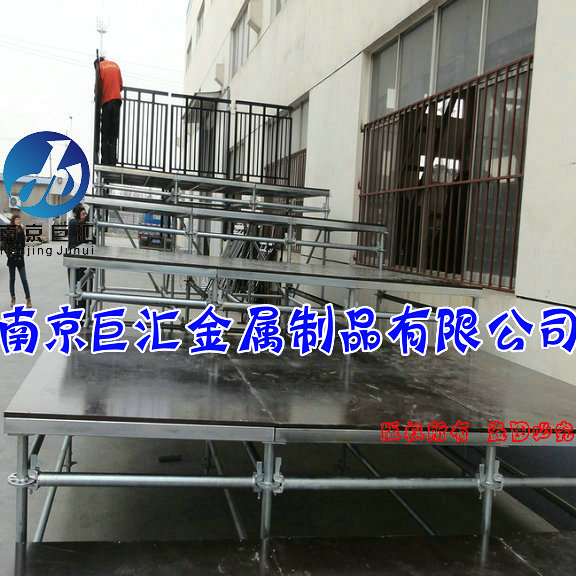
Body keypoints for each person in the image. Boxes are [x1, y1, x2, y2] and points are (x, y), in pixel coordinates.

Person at [94, 56, 123, 165]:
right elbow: (120, 86)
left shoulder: (100, 67)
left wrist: (97, 98)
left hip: (106, 102)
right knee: (114, 131)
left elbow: (97, 88)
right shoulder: (115, 65)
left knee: (105, 132)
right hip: (117, 101)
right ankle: (113, 159)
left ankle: (105, 159)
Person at [2, 213, 32, 308]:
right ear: (13, 221)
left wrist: (20, 253)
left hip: (19, 259)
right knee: (12, 279)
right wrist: (9, 254)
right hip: (11, 259)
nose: (18, 221)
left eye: (19, 219)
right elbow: (4, 244)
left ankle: (28, 299)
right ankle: (13, 298)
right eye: (17, 219)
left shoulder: (21, 231)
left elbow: (23, 245)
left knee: (24, 279)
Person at [68, 204, 90, 310]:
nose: (85, 216)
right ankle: (77, 312)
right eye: (83, 214)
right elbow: (81, 224)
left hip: (82, 261)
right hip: (74, 261)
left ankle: (83, 312)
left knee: (84, 290)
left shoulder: (84, 227)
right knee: (75, 290)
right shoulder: (73, 223)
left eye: (86, 214)